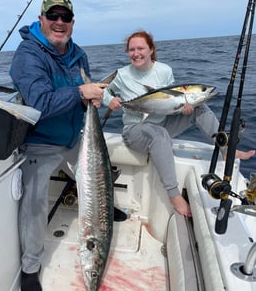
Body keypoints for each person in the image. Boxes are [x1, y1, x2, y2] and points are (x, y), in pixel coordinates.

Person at [9, 0, 125, 291]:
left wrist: (92, 96)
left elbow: (83, 93)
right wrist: (80, 91)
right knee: (33, 204)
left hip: (76, 138)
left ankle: (101, 207)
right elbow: (39, 103)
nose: (60, 22)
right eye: (54, 16)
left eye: (66, 18)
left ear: (72, 23)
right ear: (42, 19)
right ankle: (31, 268)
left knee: (102, 181)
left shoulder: (78, 54)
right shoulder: (27, 55)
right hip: (41, 143)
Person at [102, 30, 255, 217]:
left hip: (162, 122)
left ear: (151, 49)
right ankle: (174, 195)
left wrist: (182, 108)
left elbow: (171, 101)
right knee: (159, 135)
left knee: (200, 107)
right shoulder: (121, 74)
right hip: (135, 130)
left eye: (140, 48)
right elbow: (101, 89)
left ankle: (225, 149)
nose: (136, 53)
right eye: (131, 49)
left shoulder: (164, 70)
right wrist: (109, 100)